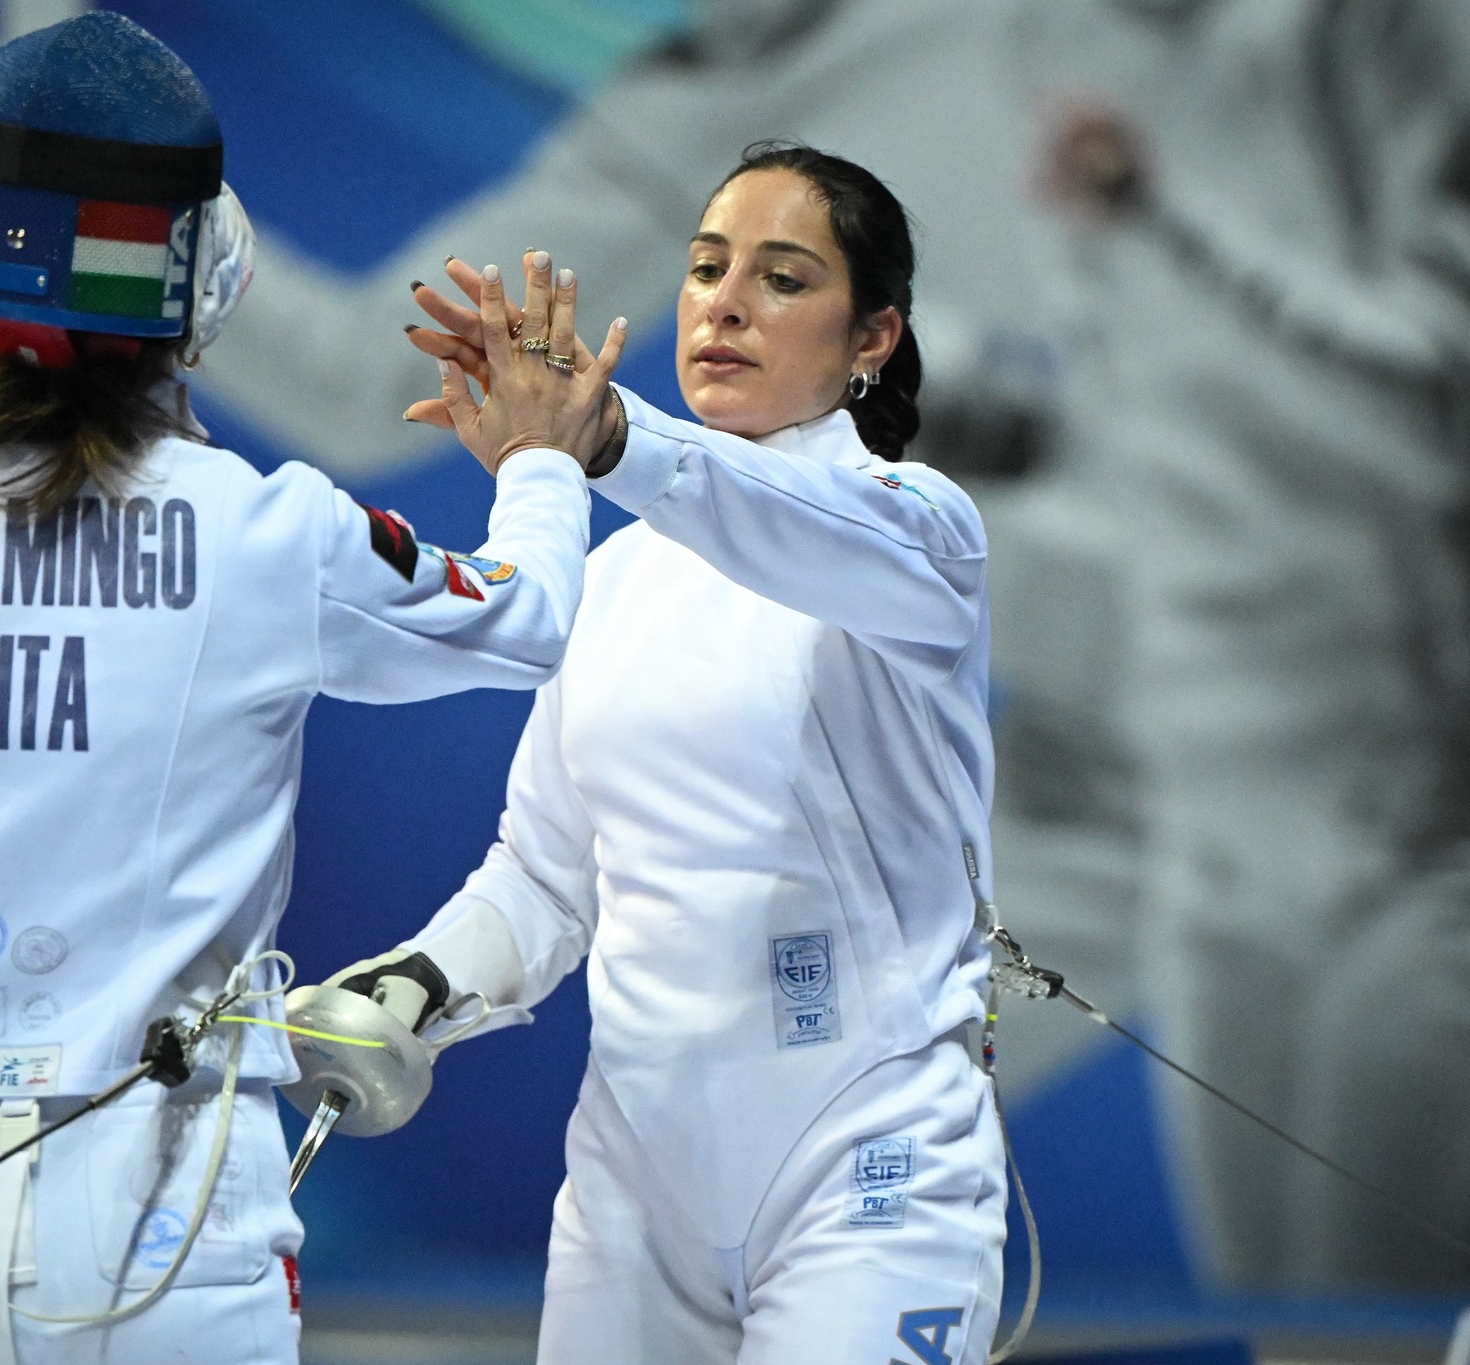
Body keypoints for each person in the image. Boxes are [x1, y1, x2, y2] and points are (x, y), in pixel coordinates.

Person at [0, 14, 620, 1365]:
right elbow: (526, 622)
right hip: (176, 1212)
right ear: (186, 276)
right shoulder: (272, 532)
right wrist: (541, 457)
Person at [328, 143, 1009, 1364]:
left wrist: (600, 437)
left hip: (871, 1173)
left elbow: (774, 519)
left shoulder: (915, 532)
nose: (725, 303)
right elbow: (543, 878)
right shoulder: (609, 579)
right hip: (633, 1191)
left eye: (782, 279)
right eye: (705, 269)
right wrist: (417, 983)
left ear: (872, 337)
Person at [1016, 0, 1470, 1288]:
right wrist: (949, 426)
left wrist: (1162, 223)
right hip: (1213, 873)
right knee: (1296, 1346)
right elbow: (1170, 460)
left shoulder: (1396, 35)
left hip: (1408, 860)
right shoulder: (1061, 43)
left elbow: (1441, 418)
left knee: (1390, 1341)